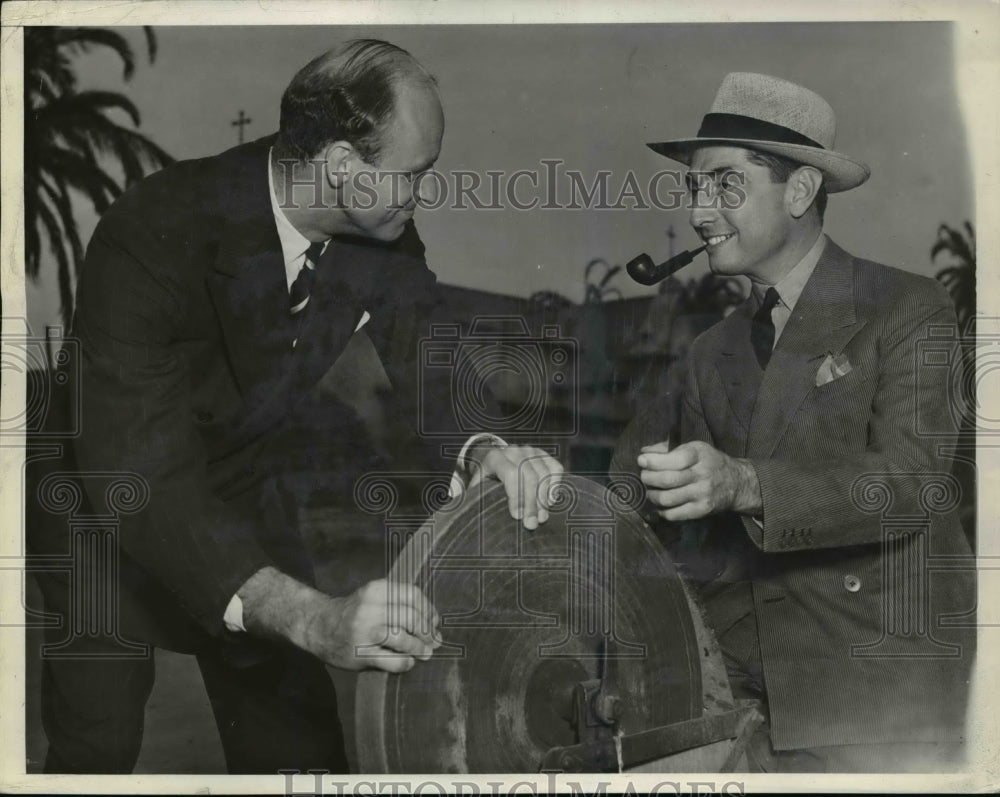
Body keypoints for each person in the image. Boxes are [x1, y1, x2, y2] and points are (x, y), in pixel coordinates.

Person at [29, 39, 563, 774]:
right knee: (97, 744)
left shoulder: (380, 232)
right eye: (414, 175)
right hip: (103, 503)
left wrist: (483, 449)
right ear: (342, 165)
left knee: (302, 750)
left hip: (242, 491)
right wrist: (313, 616)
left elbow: (425, 345)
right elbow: (143, 473)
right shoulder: (150, 231)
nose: (420, 195)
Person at [635, 72, 975, 772]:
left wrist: (743, 483)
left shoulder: (907, 310)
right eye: (693, 187)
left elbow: (910, 482)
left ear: (799, 192)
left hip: (882, 708)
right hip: (751, 702)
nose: (701, 211)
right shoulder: (710, 353)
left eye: (725, 184)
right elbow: (688, 541)